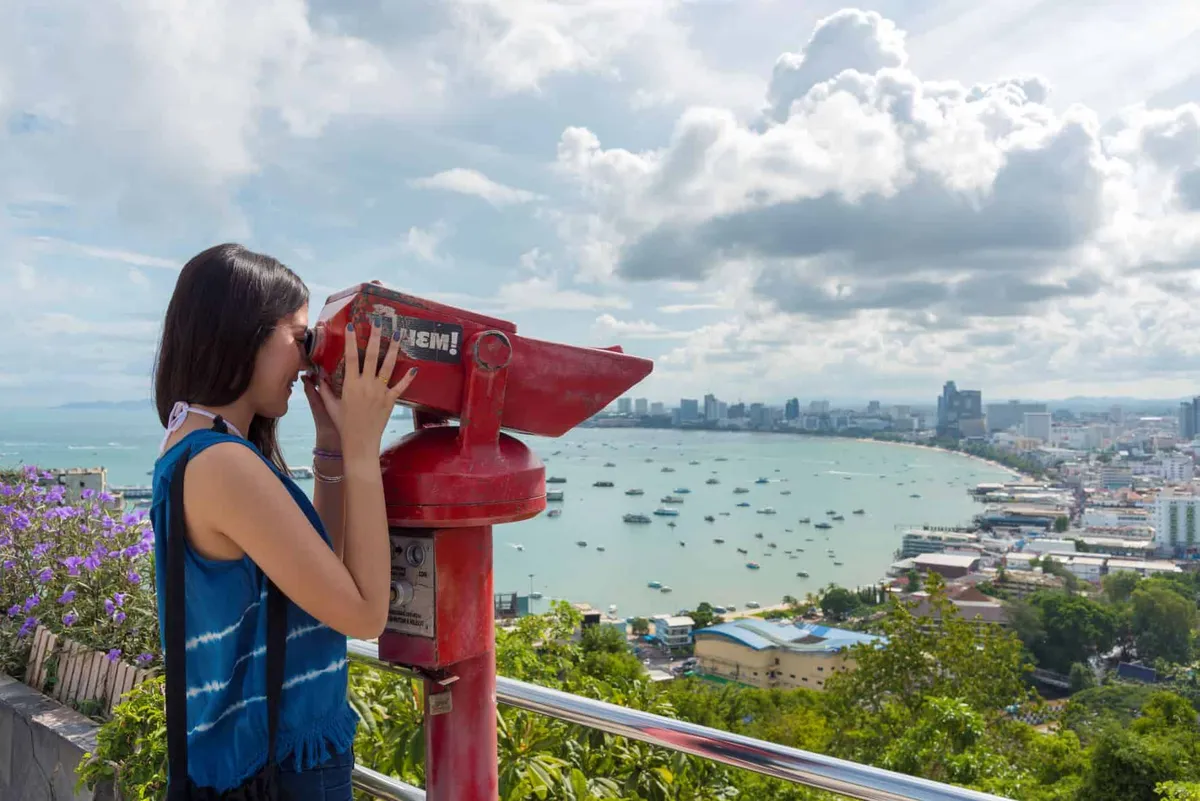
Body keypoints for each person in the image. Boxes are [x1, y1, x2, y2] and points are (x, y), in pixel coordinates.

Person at [150, 243, 416, 799]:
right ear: (243, 333)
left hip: (267, 762)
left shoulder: (197, 446)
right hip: (285, 769)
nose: (308, 361)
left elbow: (319, 579)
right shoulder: (223, 464)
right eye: (300, 339)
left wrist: (334, 446)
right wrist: (367, 447)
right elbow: (365, 613)